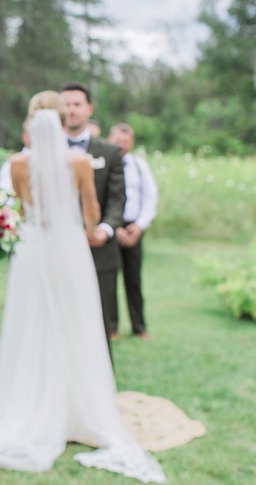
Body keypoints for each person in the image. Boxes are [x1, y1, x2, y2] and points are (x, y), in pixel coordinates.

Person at [0, 91, 166, 484]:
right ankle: (77, 409)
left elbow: (16, 210)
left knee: (30, 322)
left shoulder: (16, 163)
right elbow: (92, 214)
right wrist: (83, 226)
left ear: (32, 125)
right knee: (76, 320)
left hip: (33, 247)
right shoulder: (80, 162)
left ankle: (30, 403)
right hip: (69, 247)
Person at [60, 82, 126, 362]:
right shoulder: (45, 150)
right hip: (59, 250)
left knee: (99, 321)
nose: (71, 110)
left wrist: (106, 229)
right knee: (61, 319)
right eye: (66, 104)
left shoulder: (110, 152)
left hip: (99, 251)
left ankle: (101, 392)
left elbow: (117, 199)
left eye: (77, 104)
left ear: (89, 109)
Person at [108, 123, 159, 341]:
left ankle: (139, 326)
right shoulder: (105, 163)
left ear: (132, 143)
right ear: (110, 139)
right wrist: (114, 227)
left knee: (134, 279)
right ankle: (111, 327)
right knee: (109, 280)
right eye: (118, 141)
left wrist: (139, 226)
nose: (121, 145)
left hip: (134, 226)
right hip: (111, 229)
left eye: (126, 142)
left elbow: (150, 196)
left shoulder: (139, 165)